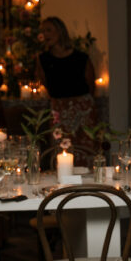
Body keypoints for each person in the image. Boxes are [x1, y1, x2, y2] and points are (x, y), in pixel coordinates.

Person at [35, 16, 97, 167]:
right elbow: (45, 83)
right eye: (43, 31)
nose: (45, 34)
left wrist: (80, 106)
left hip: (82, 111)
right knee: (61, 151)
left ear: (60, 31)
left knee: (85, 150)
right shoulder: (43, 59)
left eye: (49, 30)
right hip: (59, 111)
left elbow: (91, 85)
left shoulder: (80, 58)